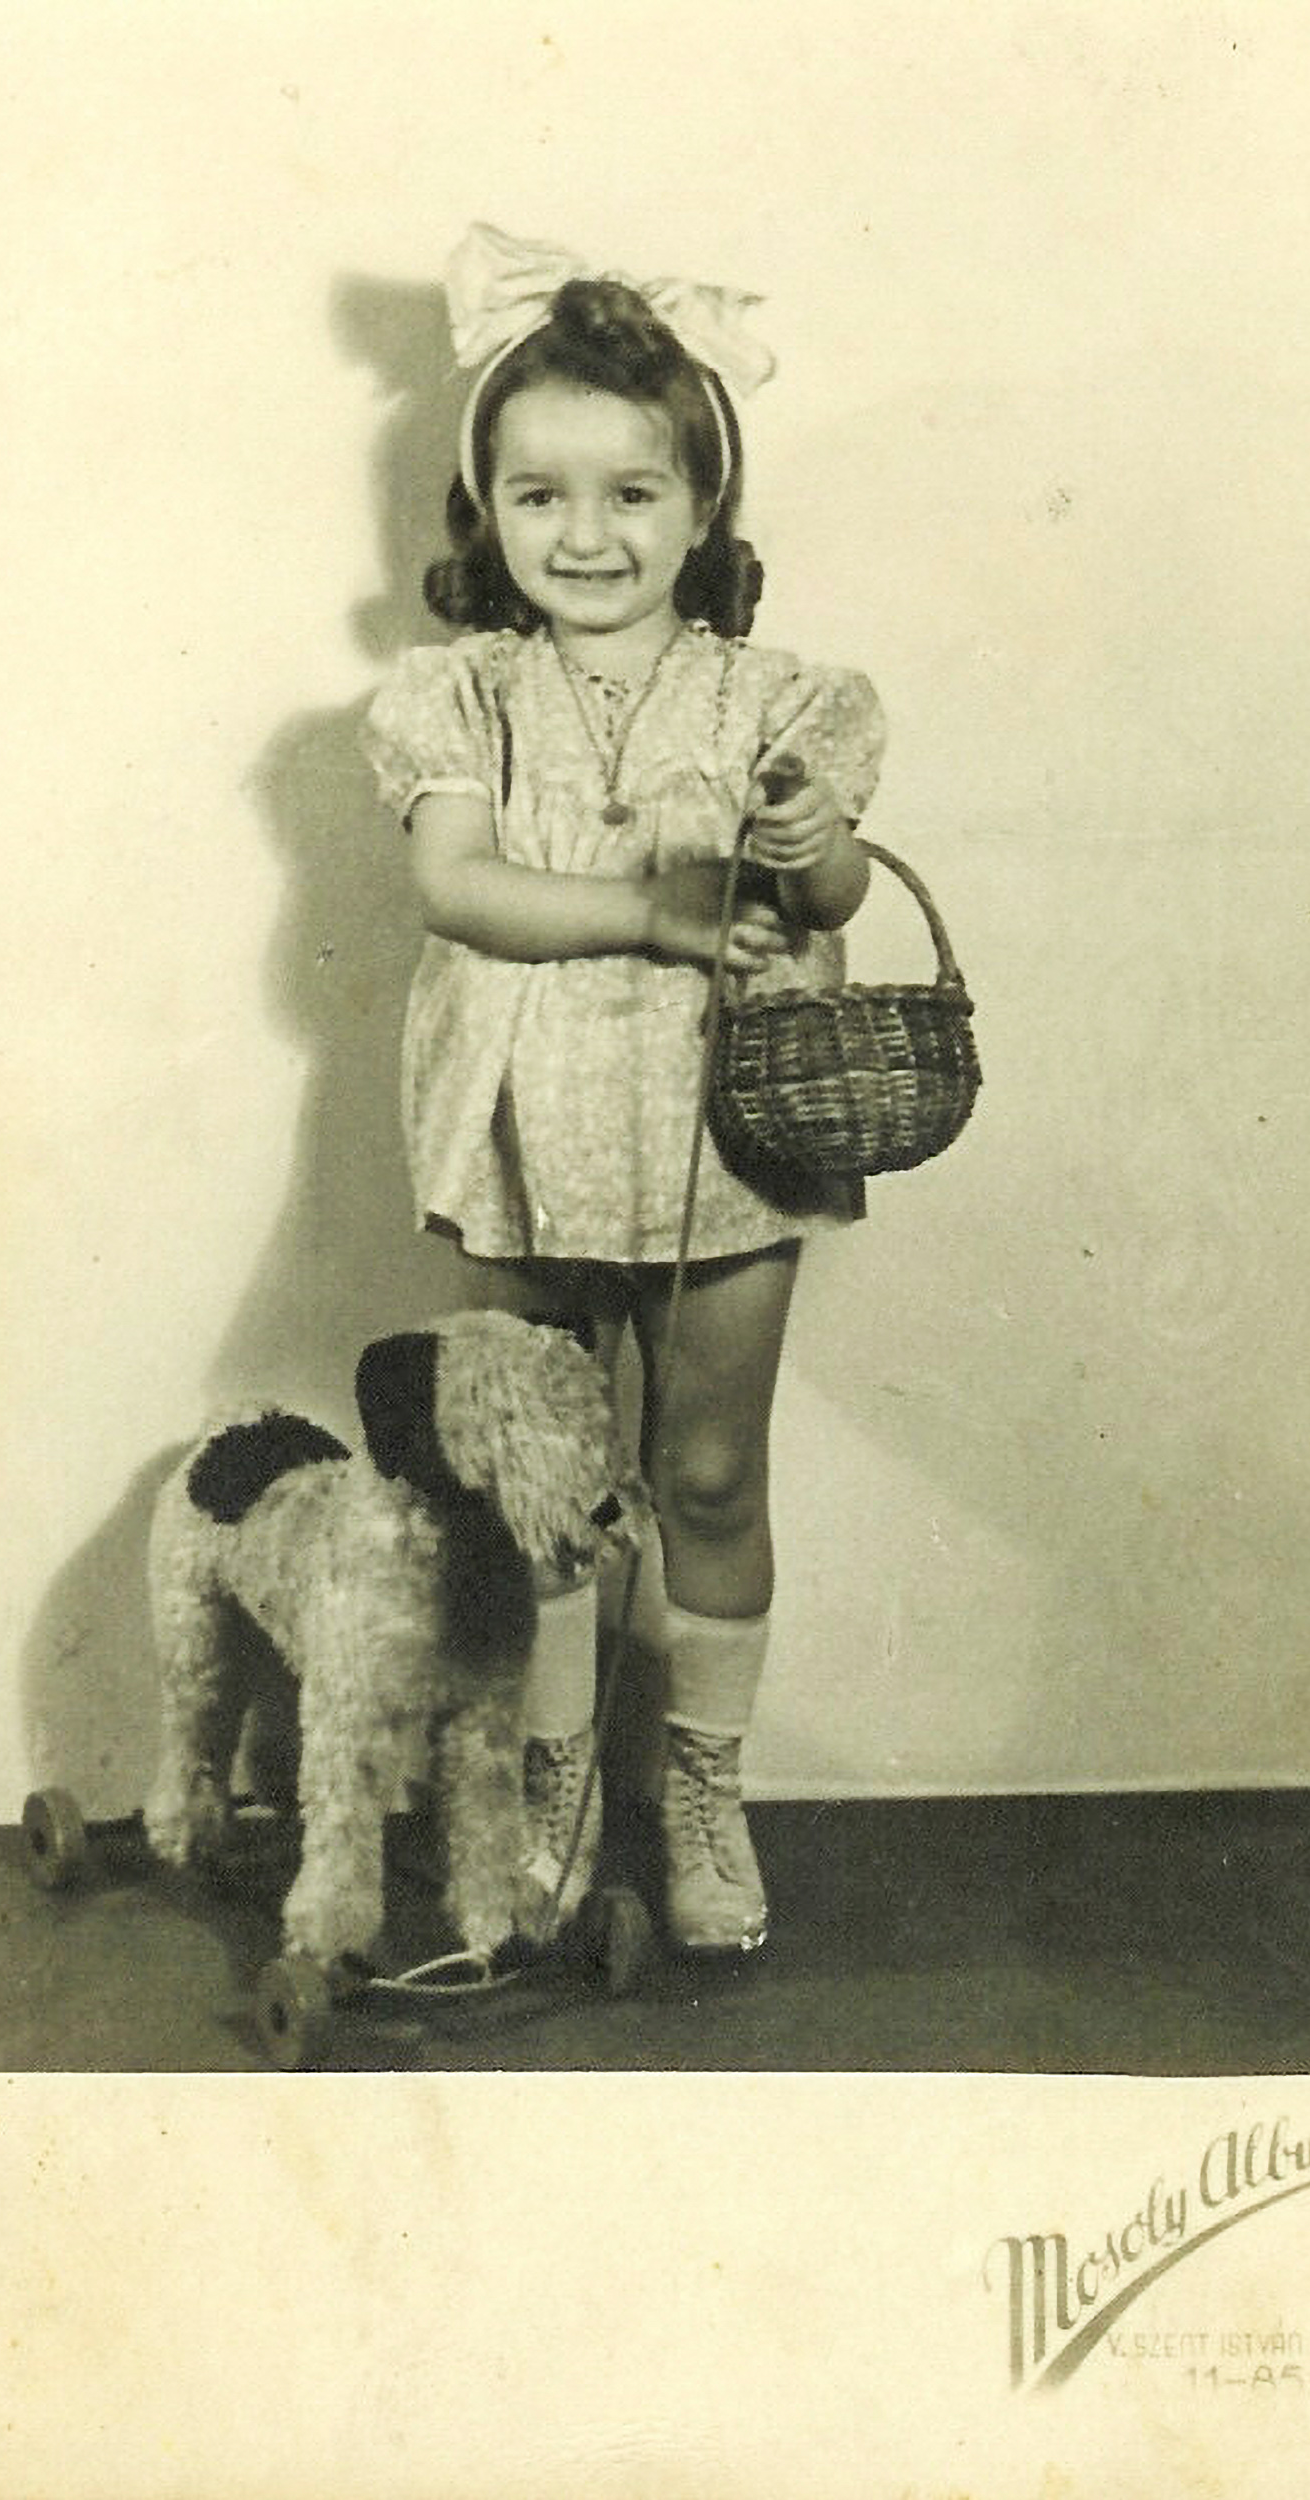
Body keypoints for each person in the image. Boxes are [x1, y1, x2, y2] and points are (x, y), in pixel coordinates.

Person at [361, 223, 885, 1955]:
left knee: (710, 1474)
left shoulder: (775, 696)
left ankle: (706, 1795)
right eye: (539, 496)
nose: (587, 537)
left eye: (633, 495)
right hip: (517, 1129)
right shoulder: (457, 695)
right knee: (539, 1488)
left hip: (722, 1140)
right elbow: (461, 885)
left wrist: (811, 851)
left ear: (703, 508)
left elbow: (824, 896)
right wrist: (660, 912)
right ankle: (551, 1776)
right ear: (485, 510)